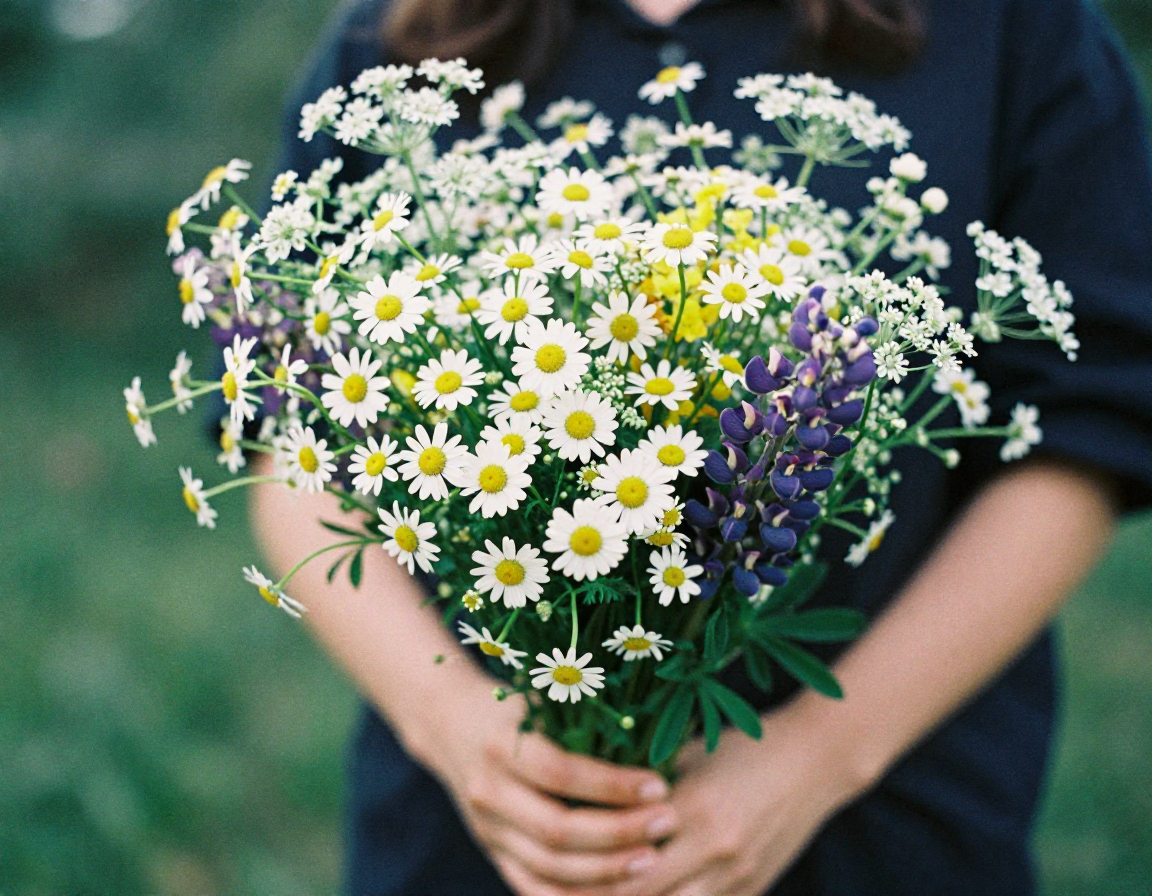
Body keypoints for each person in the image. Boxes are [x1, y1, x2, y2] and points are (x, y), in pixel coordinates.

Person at [249, 1, 1152, 894]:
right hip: (473, 833)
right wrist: (449, 722)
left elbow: (1084, 433)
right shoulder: (397, 36)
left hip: (878, 822)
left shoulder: (1014, 27)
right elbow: (291, 436)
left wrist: (815, 757)